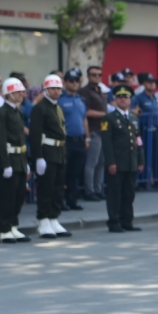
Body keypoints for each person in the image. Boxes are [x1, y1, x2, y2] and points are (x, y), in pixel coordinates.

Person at [29, 74, 72, 239]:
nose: (56, 91)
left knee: (58, 188)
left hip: (59, 151)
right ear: (46, 90)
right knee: (46, 188)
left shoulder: (57, 107)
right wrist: (38, 157)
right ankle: (43, 220)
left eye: (58, 88)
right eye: (52, 88)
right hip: (47, 151)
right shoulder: (40, 108)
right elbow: (35, 134)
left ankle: (54, 217)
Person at [101, 84, 145, 232]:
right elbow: (107, 144)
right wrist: (111, 162)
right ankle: (114, 221)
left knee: (129, 193)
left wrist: (141, 160)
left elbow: (138, 140)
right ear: (115, 99)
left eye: (125, 97)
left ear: (130, 100)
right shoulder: (109, 118)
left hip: (131, 161)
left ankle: (127, 221)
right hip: (117, 162)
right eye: (119, 97)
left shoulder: (133, 118)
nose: (122, 100)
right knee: (115, 194)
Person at [0, 77, 31, 243]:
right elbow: (0, 141)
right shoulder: (1, 113)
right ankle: (4, 228)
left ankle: (13, 225)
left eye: (21, 92)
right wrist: (5, 164)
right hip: (9, 159)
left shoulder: (18, 111)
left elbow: (21, 139)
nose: (21, 95)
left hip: (20, 158)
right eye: (17, 92)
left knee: (19, 195)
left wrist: (27, 162)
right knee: (7, 196)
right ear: (9, 94)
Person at [59, 69, 89, 211]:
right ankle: (60, 201)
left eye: (77, 81)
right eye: (71, 81)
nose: (74, 83)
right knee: (63, 172)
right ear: (65, 82)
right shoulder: (60, 100)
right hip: (66, 140)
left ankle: (72, 200)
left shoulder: (81, 100)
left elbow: (84, 119)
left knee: (75, 173)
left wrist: (87, 137)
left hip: (79, 140)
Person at [80, 65, 108, 201]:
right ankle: (89, 190)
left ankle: (98, 189)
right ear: (88, 76)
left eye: (99, 74)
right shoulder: (85, 91)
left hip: (103, 130)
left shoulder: (101, 91)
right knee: (92, 162)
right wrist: (105, 114)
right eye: (93, 74)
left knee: (101, 162)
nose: (97, 77)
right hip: (92, 130)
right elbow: (86, 111)